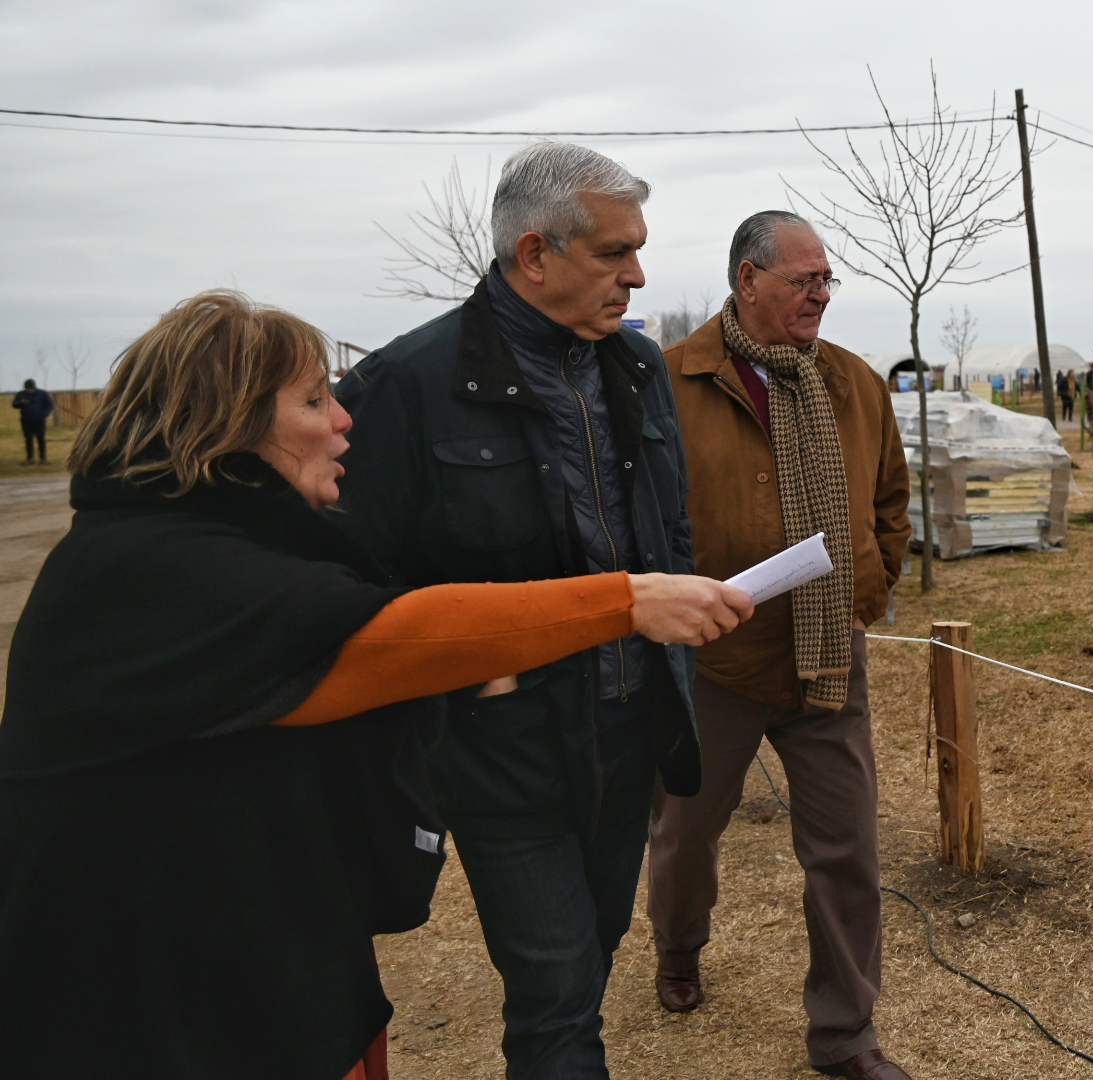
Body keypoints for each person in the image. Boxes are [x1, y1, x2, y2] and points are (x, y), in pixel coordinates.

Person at [0, 291, 751, 1080]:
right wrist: (626, 601)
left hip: (245, 967)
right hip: (145, 1011)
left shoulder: (214, 543)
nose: (344, 419)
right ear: (231, 423)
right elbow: (386, 639)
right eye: (316, 399)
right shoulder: (153, 571)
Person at [331, 141, 725, 1078]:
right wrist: (454, 670)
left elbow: (666, 527)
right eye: (613, 253)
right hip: (503, 749)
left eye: (638, 250)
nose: (637, 275)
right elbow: (349, 579)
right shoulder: (405, 386)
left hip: (631, 734)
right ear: (534, 254)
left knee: (592, 959)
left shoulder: (635, 365)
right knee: (554, 996)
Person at [650, 210, 913, 1080]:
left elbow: (889, 504)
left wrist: (866, 591)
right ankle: (678, 945)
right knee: (687, 834)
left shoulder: (855, 384)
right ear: (747, 280)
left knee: (848, 852)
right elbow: (643, 515)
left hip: (829, 656)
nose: (821, 295)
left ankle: (845, 1035)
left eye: (827, 280)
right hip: (715, 661)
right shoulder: (670, 382)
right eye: (804, 280)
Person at [12, 377, 53, 463]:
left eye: (31, 388)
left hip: (39, 421)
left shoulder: (42, 394)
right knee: (28, 439)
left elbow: (49, 405)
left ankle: (43, 458)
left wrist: (44, 414)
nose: (30, 390)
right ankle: (30, 458)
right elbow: (14, 405)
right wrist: (21, 403)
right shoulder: (21, 394)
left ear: (34, 387)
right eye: (28, 388)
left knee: (41, 439)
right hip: (26, 421)